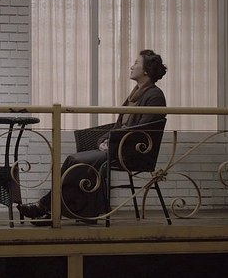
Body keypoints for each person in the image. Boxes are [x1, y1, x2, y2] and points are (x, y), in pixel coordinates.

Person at [18, 49, 167, 223]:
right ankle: (70, 210)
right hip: (118, 148)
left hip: (133, 153)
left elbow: (142, 131)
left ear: (146, 70)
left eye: (136, 63)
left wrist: (111, 141)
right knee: (75, 162)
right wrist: (104, 139)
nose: (132, 66)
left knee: (76, 161)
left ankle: (46, 206)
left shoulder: (155, 96)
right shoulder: (134, 95)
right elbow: (119, 126)